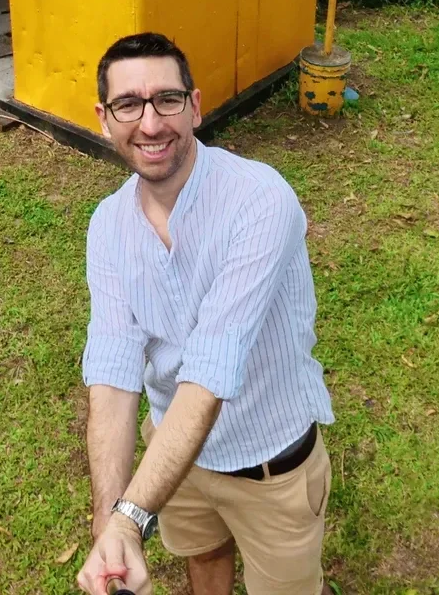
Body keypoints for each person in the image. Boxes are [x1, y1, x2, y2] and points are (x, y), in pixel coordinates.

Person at [77, 33, 335, 595]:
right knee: (204, 559)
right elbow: (114, 372)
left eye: (167, 100)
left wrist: (130, 516)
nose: (150, 124)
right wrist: (108, 528)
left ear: (194, 106)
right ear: (104, 118)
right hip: (176, 455)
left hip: (271, 466)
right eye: (128, 104)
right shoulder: (107, 225)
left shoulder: (259, 200)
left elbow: (210, 371)